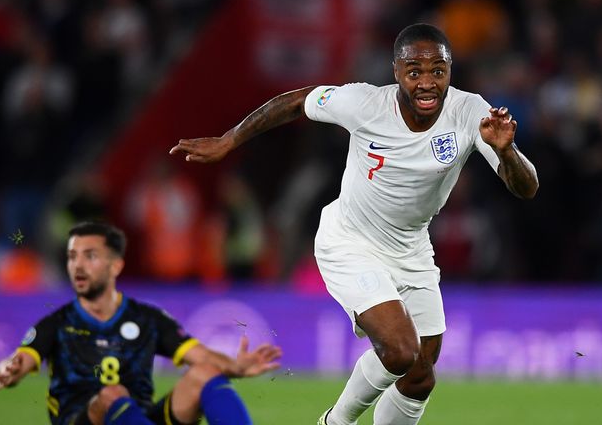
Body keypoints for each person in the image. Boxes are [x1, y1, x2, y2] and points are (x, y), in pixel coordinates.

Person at [170, 23, 538, 425]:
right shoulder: (364, 103)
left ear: (451, 69)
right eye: (415, 71)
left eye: (439, 70)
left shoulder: (470, 112)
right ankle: (335, 422)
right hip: (350, 241)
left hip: (412, 247)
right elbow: (298, 101)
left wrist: (507, 153)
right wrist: (228, 141)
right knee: (399, 351)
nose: (428, 82)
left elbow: (526, 188)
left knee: (419, 377)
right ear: (396, 71)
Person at [0, 221, 282, 425]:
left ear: (116, 265)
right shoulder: (55, 324)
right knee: (111, 394)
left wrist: (237, 367)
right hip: (83, 419)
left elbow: (202, 356)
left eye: (90, 256)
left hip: (137, 419)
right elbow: (20, 360)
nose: (78, 266)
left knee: (205, 373)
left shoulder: (147, 319)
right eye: (72, 257)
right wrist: (8, 369)